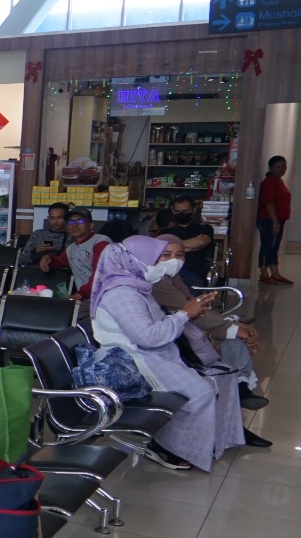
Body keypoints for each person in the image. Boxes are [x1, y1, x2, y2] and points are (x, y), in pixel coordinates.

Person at [90, 235, 254, 471]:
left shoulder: (137, 287)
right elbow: (147, 337)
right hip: (135, 360)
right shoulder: (121, 294)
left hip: (155, 354)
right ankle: (166, 446)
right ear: (136, 260)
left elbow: (156, 329)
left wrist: (190, 316)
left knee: (216, 379)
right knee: (201, 392)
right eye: (156, 258)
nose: (163, 264)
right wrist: (184, 314)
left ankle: (209, 441)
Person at [151, 235, 266, 410]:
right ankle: (239, 392)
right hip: (169, 341)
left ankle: (239, 392)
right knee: (233, 337)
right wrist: (232, 329)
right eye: (166, 255)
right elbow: (187, 309)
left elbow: (196, 308)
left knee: (234, 337)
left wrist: (234, 326)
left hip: (187, 329)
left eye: (179, 255)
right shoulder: (156, 281)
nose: (174, 260)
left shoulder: (173, 278)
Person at [41, 208, 109, 298]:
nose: (74, 225)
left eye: (80, 221)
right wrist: (47, 258)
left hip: (105, 297)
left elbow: (100, 274)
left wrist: (79, 294)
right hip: (87, 299)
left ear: (91, 225)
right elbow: (59, 261)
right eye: (70, 222)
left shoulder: (101, 243)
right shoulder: (71, 248)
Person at [258, 155, 291, 285]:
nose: (281, 169)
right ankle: (264, 273)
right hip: (268, 219)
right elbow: (269, 203)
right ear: (271, 168)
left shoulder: (279, 181)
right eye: (277, 166)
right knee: (267, 246)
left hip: (278, 219)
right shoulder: (270, 182)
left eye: (283, 166)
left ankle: (275, 273)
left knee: (273, 247)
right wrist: (275, 221)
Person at [19, 203, 71, 267]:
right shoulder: (38, 234)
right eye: (52, 218)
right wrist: (36, 251)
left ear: (67, 218)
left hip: (61, 272)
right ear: (48, 218)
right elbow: (21, 260)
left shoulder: (71, 237)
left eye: (59, 218)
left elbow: (74, 262)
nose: (56, 221)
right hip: (36, 271)